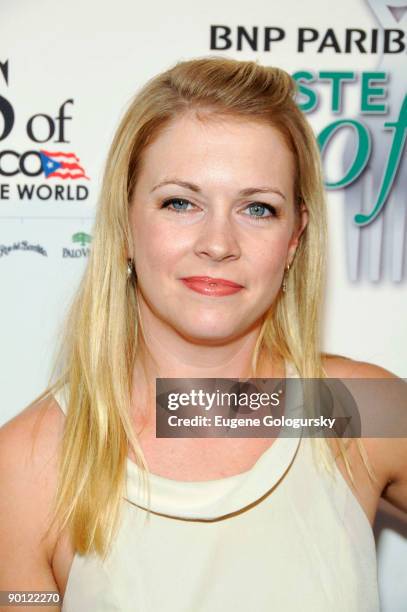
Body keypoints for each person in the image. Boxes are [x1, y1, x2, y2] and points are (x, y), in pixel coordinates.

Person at [0, 56, 406, 612]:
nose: (218, 243)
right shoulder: (25, 466)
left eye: (258, 208)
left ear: (294, 240)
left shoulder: (354, 410)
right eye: (180, 202)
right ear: (124, 224)